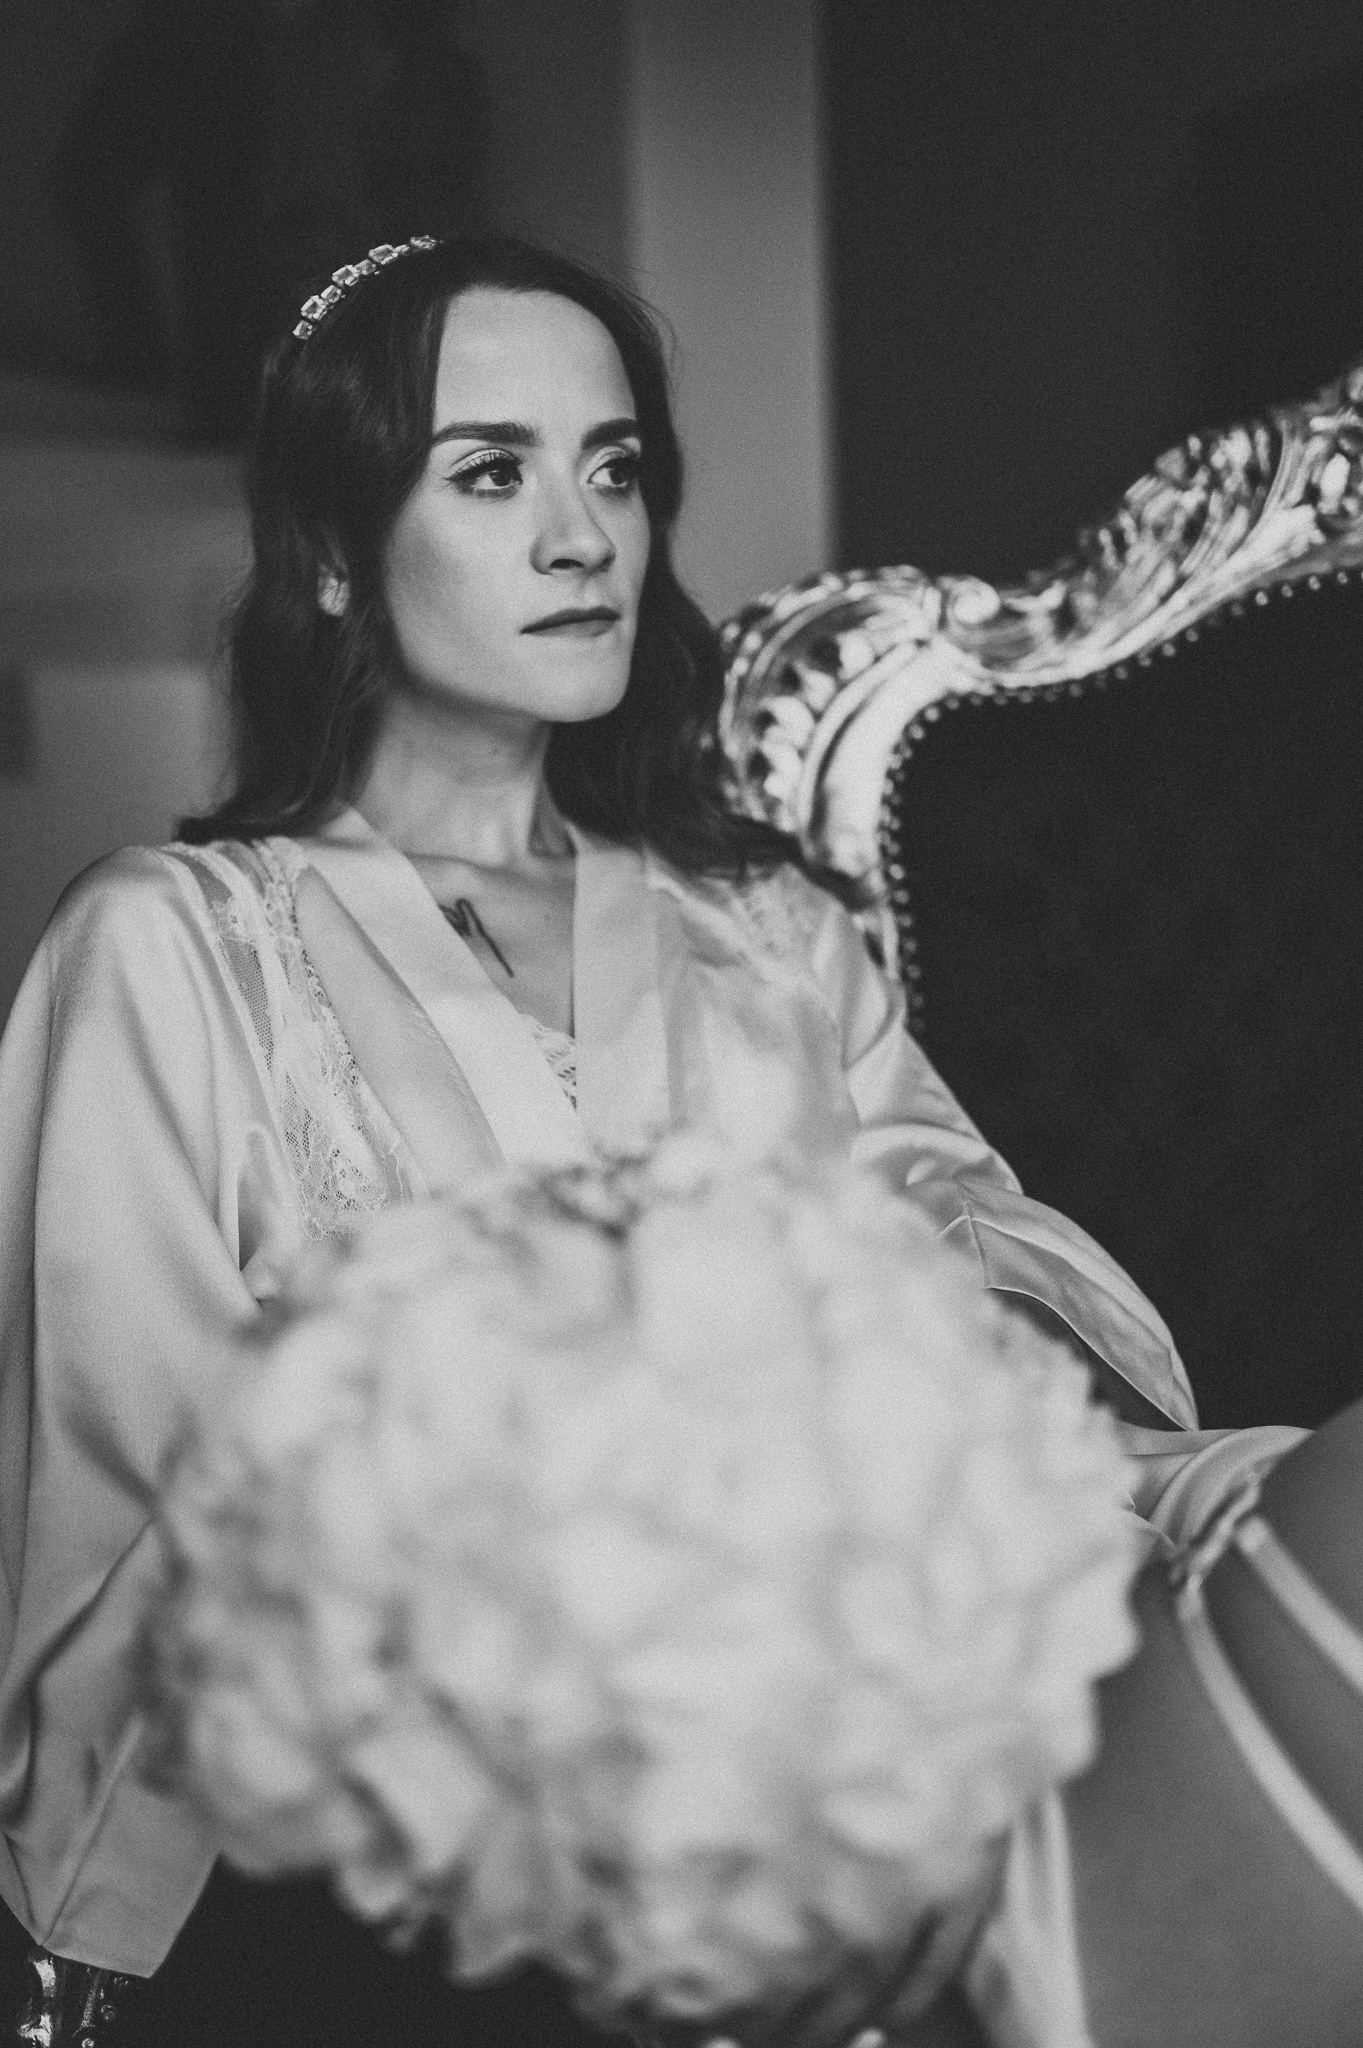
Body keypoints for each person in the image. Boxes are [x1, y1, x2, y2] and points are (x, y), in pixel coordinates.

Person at [0, 232, 1310, 2044]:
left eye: (613, 468)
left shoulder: (764, 935)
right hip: (421, 1842)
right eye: (490, 473)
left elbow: (962, 1233)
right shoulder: (170, 947)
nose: (582, 537)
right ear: (332, 552)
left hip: (866, 1688)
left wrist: (994, 1417)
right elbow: (118, 1512)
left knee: (1299, 1537)